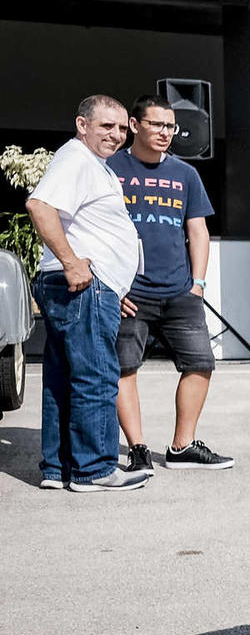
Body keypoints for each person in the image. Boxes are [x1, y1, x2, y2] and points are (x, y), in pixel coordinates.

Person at [25, 95, 151, 492]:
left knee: (64, 376)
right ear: (83, 125)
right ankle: (94, 469)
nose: (115, 135)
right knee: (97, 374)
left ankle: (59, 468)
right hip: (81, 283)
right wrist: (72, 261)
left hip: (90, 286)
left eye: (119, 127)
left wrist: (114, 284)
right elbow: (39, 206)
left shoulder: (95, 165)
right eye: (104, 127)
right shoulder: (77, 158)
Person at [108, 95, 232, 470]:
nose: (166, 133)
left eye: (170, 126)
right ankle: (139, 450)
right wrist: (112, 286)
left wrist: (198, 283)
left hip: (180, 291)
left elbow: (198, 229)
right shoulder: (110, 168)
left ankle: (183, 446)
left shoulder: (185, 174)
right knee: (124, 368)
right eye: (157, 125)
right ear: (134, 125)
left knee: (200, 363)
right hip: (129, 293)